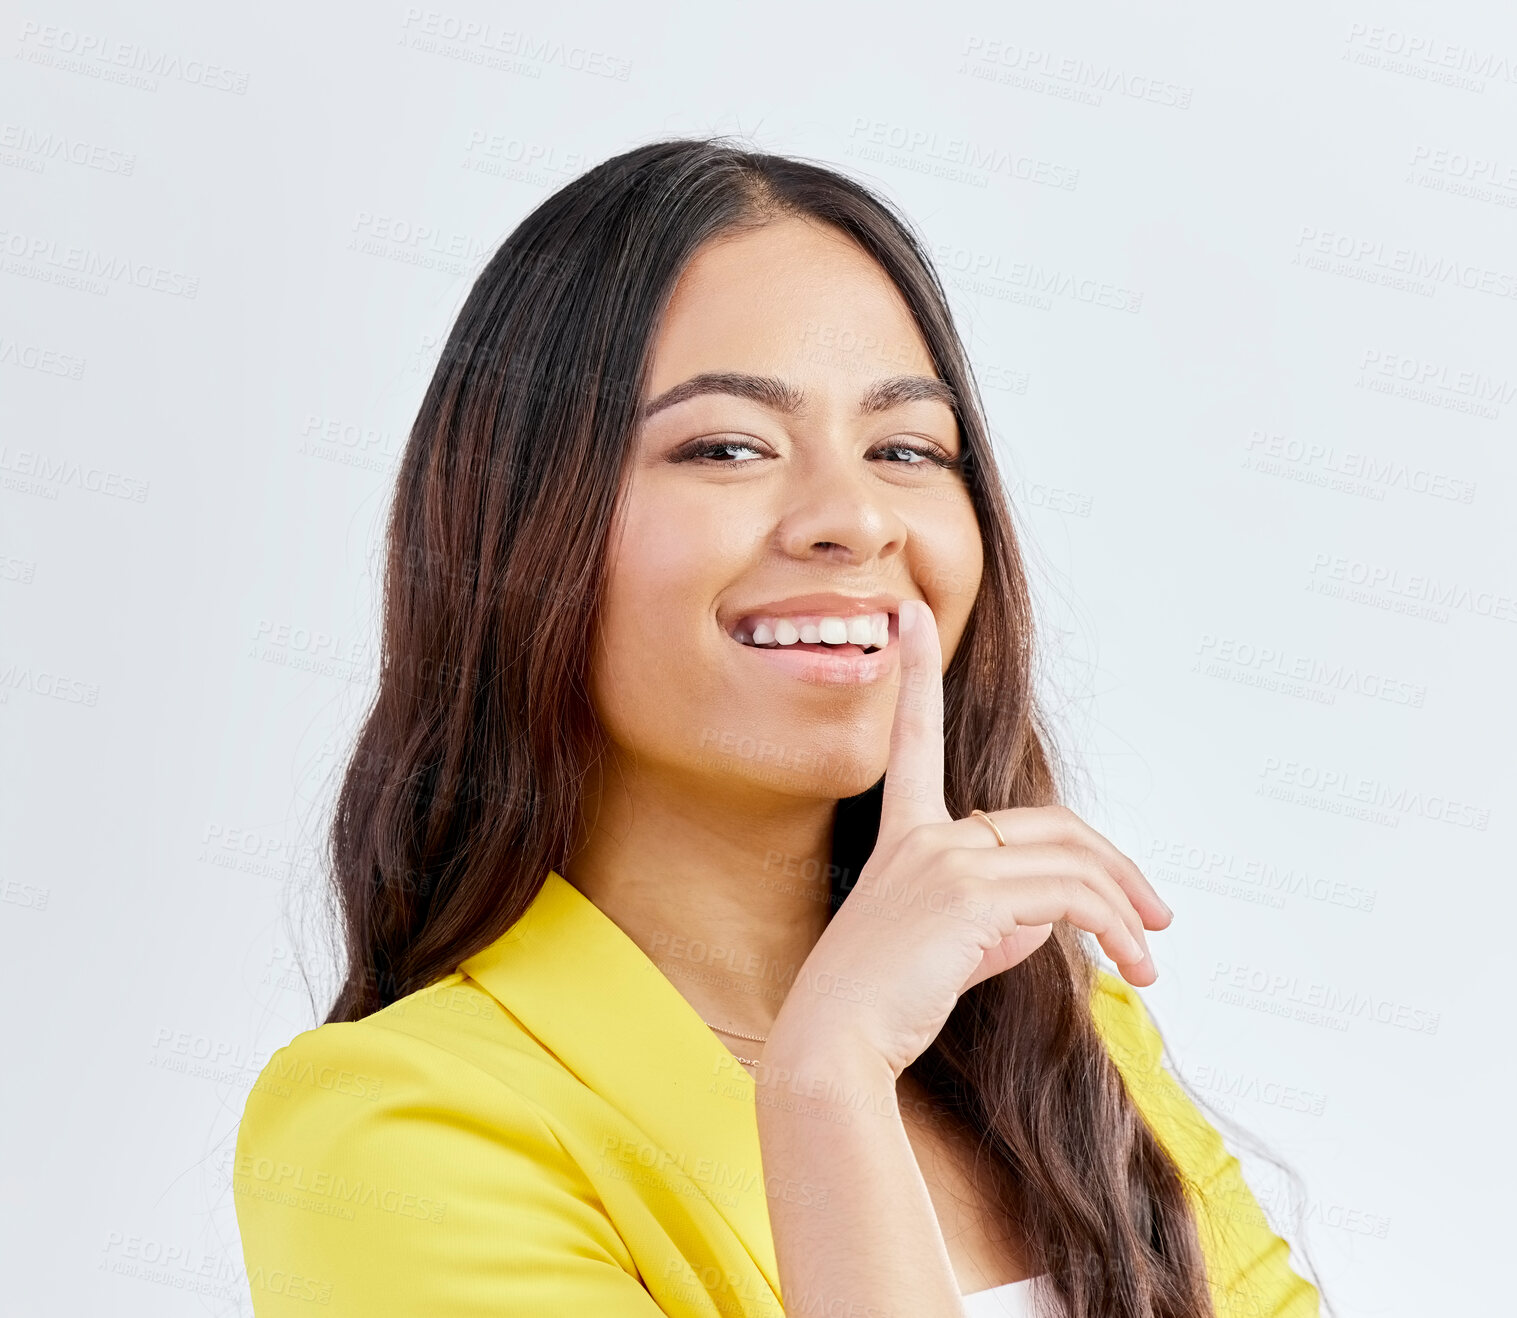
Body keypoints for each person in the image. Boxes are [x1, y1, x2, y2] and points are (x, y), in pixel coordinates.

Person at [232, 137, 1323, 1318]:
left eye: (906, 448)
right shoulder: (390, 1129)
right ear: (516, 528)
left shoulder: (1064, 1039)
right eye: (725, 446)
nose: (852, 518)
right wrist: (825, 1081)